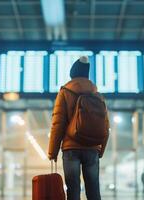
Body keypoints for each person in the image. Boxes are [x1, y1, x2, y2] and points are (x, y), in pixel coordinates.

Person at [48, 56, 109, 200]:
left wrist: (53, 152)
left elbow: (58, 123)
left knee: (73, 189)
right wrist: (101, 149)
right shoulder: (98, 95)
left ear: (72, 74)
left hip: (71, 149)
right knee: (94, 189)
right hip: (92, 149)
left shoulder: (65, 92)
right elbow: (106, 125)